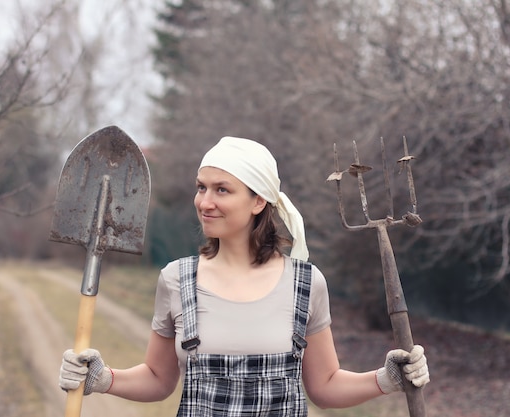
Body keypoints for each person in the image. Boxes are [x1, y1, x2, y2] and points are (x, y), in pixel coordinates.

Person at [59, 136, 430, 416]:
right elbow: (158, 379)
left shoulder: (305, 284)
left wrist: (386, 379)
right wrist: (102, 378)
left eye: (222, 190)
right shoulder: (176, 280)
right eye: (201, 187)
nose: (205, 202)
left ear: (258, 202)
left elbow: (325, 386)